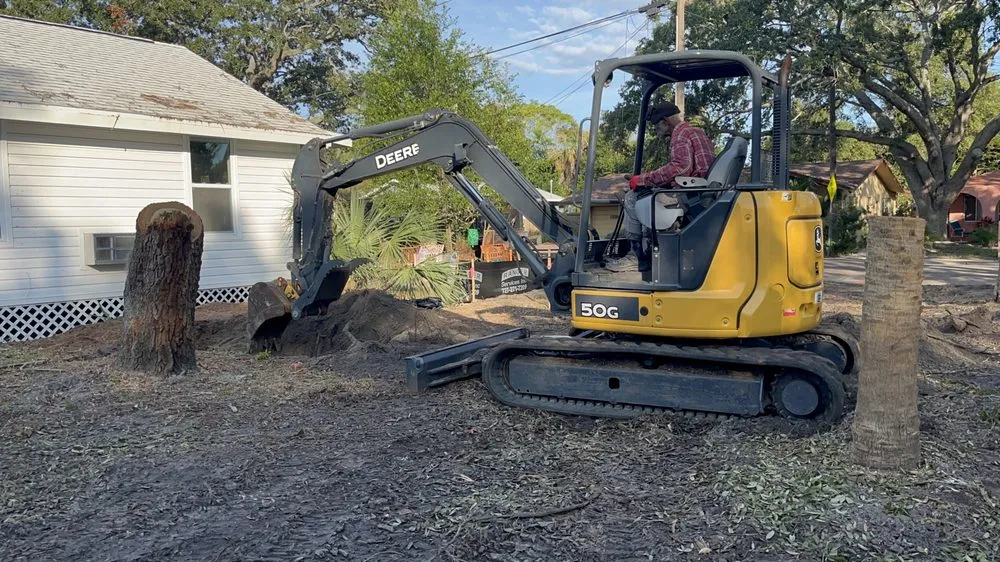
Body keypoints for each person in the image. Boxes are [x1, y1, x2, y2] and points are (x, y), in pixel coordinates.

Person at [606, 101, 716, 273]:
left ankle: (637, 256)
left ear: (665, 121)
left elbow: (681, 167)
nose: (657, 130)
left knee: (633, 198)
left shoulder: (679, 135)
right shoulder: (697, 132)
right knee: (647, 194)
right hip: (702, 192)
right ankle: (647, 250)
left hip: (689, 194)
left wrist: (642, 179)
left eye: (657, 126)